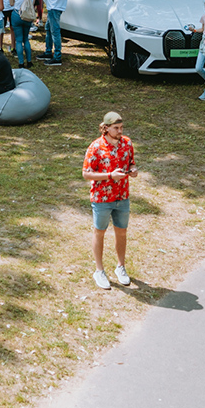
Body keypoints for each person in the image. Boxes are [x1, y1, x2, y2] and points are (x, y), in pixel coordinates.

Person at [83, 112, 137, 290]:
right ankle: (99, 270)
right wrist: (109, 176)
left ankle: (120, 267)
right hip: (102, 198)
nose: (120, 131)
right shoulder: (95, 147)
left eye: (121, 128)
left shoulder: (127, 143)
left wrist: (133, 169)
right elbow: (86, 174)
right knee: (100, 232)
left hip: (122, 196)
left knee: (122, 232)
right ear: (106, 128)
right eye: (116, 128)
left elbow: (131, 163)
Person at [6, 0, 37, 68]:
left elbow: (11, 3)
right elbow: (33, 2)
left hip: (16, 14)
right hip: (27, 15)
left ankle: (21, 62)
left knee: (18, 40)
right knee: (26, 39)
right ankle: (29, 60)